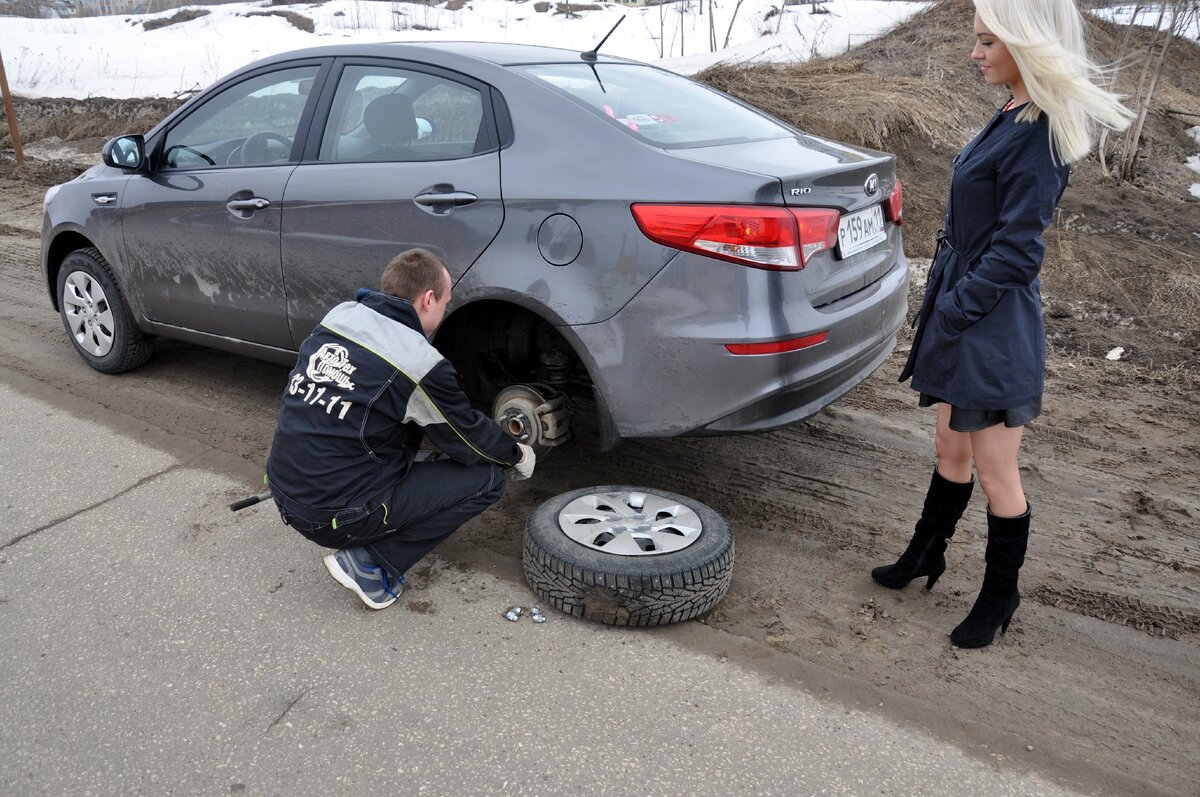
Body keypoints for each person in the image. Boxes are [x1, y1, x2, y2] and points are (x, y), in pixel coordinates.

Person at [874, 0, 1133, 647]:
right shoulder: (1010, 113)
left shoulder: (1040, 137)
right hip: (963, 310)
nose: (975, 52)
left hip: (989, 327)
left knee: (996, 475)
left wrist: (955, 309)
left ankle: (999, 594)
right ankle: (925, 554)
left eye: (988, 41)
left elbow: (1018, 253)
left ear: (1027, 45)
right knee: (949, 449)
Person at [266, 248, 535, 610]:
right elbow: (468, 439)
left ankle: (357, 517)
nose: (444, 313)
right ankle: (369, 565)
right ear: (428, 300)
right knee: (486, 480)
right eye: (445, 303)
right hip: (330, 515)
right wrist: (515, 452)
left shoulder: (340, 317)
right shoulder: (416, 361)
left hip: (284, 489)